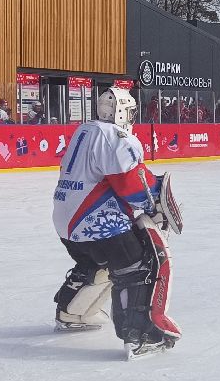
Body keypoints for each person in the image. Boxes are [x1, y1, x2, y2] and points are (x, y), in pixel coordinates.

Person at [52, 86, 183, 358]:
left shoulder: (84, 131)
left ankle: (72, 312)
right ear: (122, 111)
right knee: (139, 265)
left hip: (67, 224)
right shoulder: (115, 135)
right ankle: (141, 335)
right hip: (99, 222)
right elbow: (131, 184)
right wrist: (153, 205)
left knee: (95, 263)